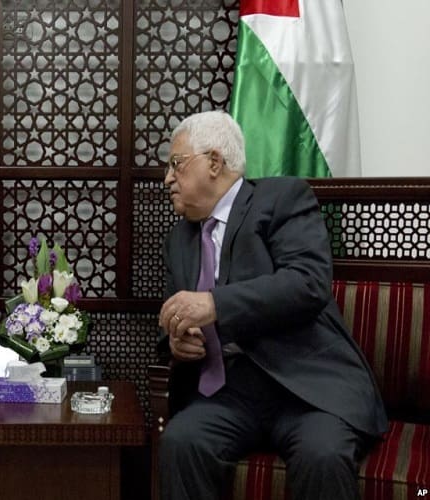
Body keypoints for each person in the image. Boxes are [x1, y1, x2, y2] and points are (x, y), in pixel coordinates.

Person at [156, 110, 386, 500]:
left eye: (176, 164)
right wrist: (178, 343)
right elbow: (177, 318)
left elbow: (307, 284)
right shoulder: (179, 240)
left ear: (214, 162)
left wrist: (215, 304)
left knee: (322, 456)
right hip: (230, 392)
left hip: (307, 388)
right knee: (182, 442)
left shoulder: (280, 198)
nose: (167, 179)